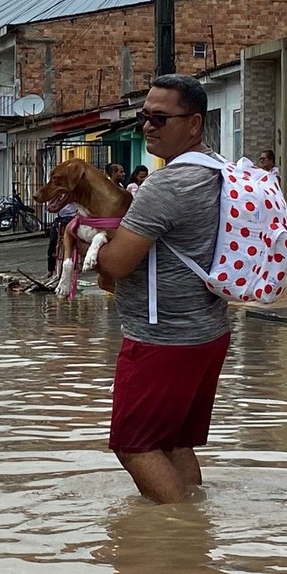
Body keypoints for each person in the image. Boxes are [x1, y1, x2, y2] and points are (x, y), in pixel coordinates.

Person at [94, 74, 231, 504]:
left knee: (133, 445)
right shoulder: (220, 171)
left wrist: (88, 240)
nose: (148, 127)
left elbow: (116, 265)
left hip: (162, 339)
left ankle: (182, 533)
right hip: (208, 331)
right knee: (172, 441)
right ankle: (196, 530)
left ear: (193, 124)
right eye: (143, 117)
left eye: (159, 118)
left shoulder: (166, 185)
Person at [46, 200, 79, 280]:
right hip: (59, 218)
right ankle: (50, 270)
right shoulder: (57, 196)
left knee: (77, 241)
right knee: (52, 244)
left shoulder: (72, 194)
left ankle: (78, 263)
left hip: (73, 217)